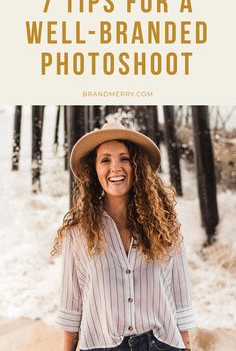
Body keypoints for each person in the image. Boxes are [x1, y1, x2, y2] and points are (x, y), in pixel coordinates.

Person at [53, 122, 195, 351]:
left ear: (137, 165)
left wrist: (187, 346)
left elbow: (181, 299)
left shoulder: (165, 227)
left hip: (161, 344)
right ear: (94, 169)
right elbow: (72, 308)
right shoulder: (77, 232)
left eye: (125, 158)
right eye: (105, 160)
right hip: (101, 345)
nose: (115, 168)